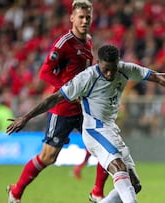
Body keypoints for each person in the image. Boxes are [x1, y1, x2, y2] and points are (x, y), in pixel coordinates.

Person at [6, 44, 165, 203]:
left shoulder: (126, 69)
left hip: (111, 129)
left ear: (118, 62)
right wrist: (26, 117)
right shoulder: (86, 77)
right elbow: (54, 98)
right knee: (118, 167)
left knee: (134, 186)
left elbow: (157, 76)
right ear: (97, 63)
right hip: (94, 130)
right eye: (105, 69)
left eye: (113, 68)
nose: (110, 73)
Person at [6, 1, 109, 203]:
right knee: (48, 157)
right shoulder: (64, 44)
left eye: (88, 17)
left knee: (105, 147)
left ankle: (97, 193)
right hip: (62, 108)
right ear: (72, 18)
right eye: (80, 17)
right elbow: (44, 73)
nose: (84, 21)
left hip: (84, 108)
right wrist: (69, 89)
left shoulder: (88, 40)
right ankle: (16, 191)